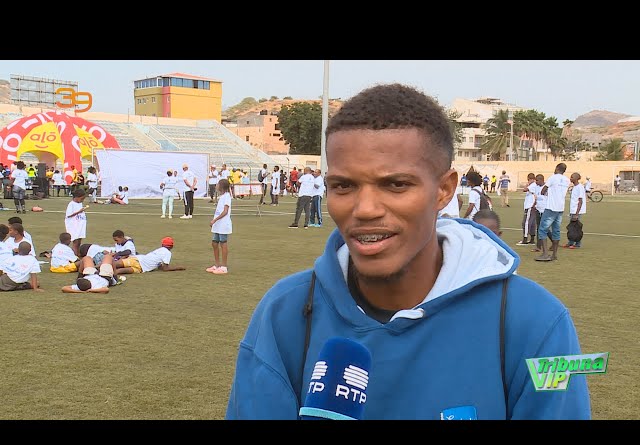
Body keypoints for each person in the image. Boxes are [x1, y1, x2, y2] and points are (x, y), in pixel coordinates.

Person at [225, 83, 590, 420]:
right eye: (343, 185)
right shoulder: (286, 311)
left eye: (396, 184)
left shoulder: (536, 321)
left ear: (444, 190)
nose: (365, 208)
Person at [535, 162, 570, 262]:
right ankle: (554, 255)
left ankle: (545, 254)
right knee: (556, 230)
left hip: (551, 207)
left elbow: (543, 190)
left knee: (542, 229)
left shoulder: (553, 177)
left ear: (556, 168)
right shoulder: (567, 180)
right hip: (560, 208)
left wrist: (546, 193)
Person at [114, 236, 186, 275]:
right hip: (140, 266)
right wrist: (178, 268)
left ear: (162, 244)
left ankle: (104, 272)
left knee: (114, 265)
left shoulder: (159, 250)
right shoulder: (167, 253)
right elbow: (165, 268)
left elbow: (160, 266)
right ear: (171, 246)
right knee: (120, 270)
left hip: (138, 261)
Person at [206, 179, 232, 275]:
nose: (216, 185)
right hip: (218, 224)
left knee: (223, 243)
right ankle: (217, 265)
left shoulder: (227, 196)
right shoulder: (222, 196)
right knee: (214, 243)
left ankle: (224, 267)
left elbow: (225, 211)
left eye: (218, 184)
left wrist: (215, 220)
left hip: (223, 224)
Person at [564, 173, 586, 249]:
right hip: (573, 210)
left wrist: (576, 214)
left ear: (576, 178)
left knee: (576, 228)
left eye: (572, 177)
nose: (570, 178)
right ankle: (570, 242)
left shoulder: (580, 187)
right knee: (571, 228)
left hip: (577, 211)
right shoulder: (574, 187)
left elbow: (580, 201)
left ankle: (577, 243)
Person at [516, 173, 537, 246]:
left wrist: (527, 184)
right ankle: (532, 239)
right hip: (531, 206)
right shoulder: (534, 185)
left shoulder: (533, 185)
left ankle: (525, 239)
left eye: (528, 180)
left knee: (526, 222)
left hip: (530, 206)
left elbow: (525, 189)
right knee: (532, 223)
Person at [65, 189, 89, 257]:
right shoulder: (71, 204)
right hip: (74, 225)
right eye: (82, 199)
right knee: (75, 241)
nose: (82, 200)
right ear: (77, 197)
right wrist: (79, 211)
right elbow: (69, 215)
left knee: (79, 241)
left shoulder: (80, 203)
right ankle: (74, 255)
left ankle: (78, 253)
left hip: (80, 225)